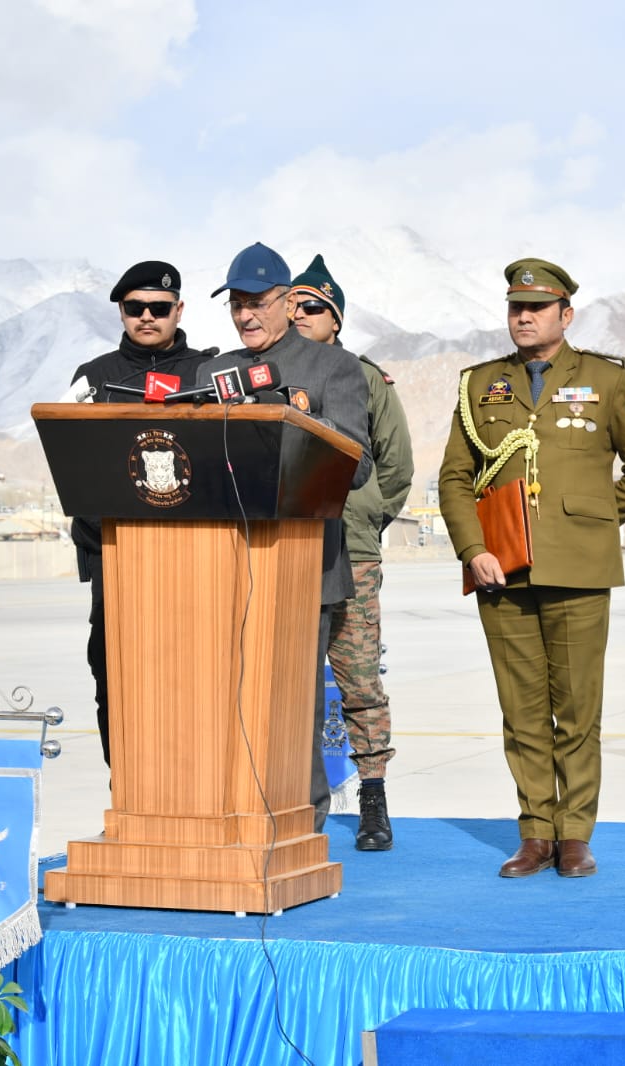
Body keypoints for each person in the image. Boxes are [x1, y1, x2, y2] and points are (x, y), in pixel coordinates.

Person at [438, 258, 625, 877]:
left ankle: (575, 836)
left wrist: (590, 521)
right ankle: (535, 833)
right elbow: (455, 477)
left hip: (579, 571)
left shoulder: (606, 379)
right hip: (501, 569)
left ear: (566, 315)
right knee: (522, 711)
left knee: (577, 709)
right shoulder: (480, 384)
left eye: (537, 308)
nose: (524, 317)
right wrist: (473, 549)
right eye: (516, 307)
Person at [202, 242, 373, 830]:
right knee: (225, 695)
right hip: (222, 562)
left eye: (257, 303)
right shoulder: (212, 373)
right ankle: (229, 811)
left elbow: (359, 464)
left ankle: (305, 821)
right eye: (236, 305)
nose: (246, 315)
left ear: (287, 303)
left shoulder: (332, 368)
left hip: (304, 562)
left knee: (296, 700)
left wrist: (295, 424)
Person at [289, 254, 414, 852]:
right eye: (292, 305)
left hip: (352, 551)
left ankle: (373, 798)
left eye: (313, 307)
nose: (300, 315)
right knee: (287, 684)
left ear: (335, 319)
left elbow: (397, 465)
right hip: (288, 549)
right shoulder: (268, 373)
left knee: (360, 680)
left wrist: (363, 517)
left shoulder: (364, 379)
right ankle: (291, 798)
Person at [68, 260, 215, 767]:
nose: (147, 316)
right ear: (121, 312)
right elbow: (72, 465)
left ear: (179, 309)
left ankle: (187, 783)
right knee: (114, 676)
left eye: (159, 307)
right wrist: (111, 528)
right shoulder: (94, 378)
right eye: (135, 307)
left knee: (191, 676)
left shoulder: (206, 372)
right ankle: (126, 783)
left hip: (193, 556)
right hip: (116, 555)